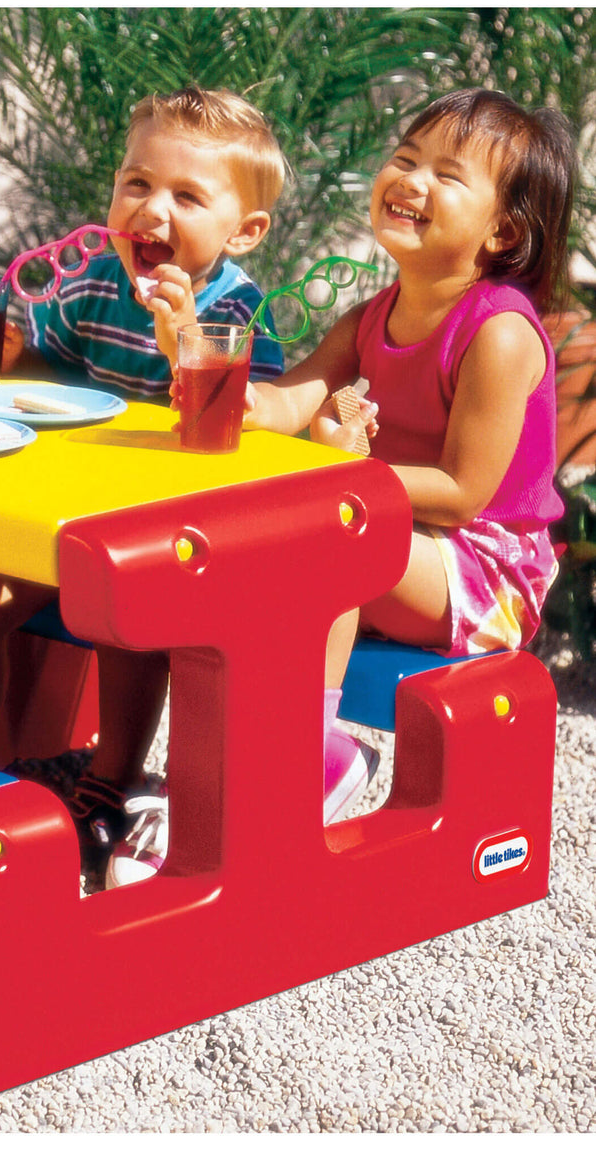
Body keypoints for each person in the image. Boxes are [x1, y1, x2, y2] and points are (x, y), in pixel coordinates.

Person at [0, 87, 288, 886]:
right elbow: (41, 378)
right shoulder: (94, 280)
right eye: (137, 184)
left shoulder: (238, 310)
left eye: (187, 196)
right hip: (67, 516)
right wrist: (9, 347)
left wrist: (186, 339)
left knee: (122, 605)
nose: (151, 210)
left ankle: (113, 782)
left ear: (245, 231)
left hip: (173, 537)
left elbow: (245, 430)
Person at [240, 88, 573, 844]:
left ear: (504, 230)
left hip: (488, 570)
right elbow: (286, 404)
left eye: (447, 175)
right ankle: (231, 765)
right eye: (406, 158)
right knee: (263, 548)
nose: (411, 179)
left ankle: (321, 756)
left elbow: (461, 494)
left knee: (331, 533)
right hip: (396, 531)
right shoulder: (370, 315)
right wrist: (214, 378)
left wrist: (345, 474)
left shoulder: (499, 334)